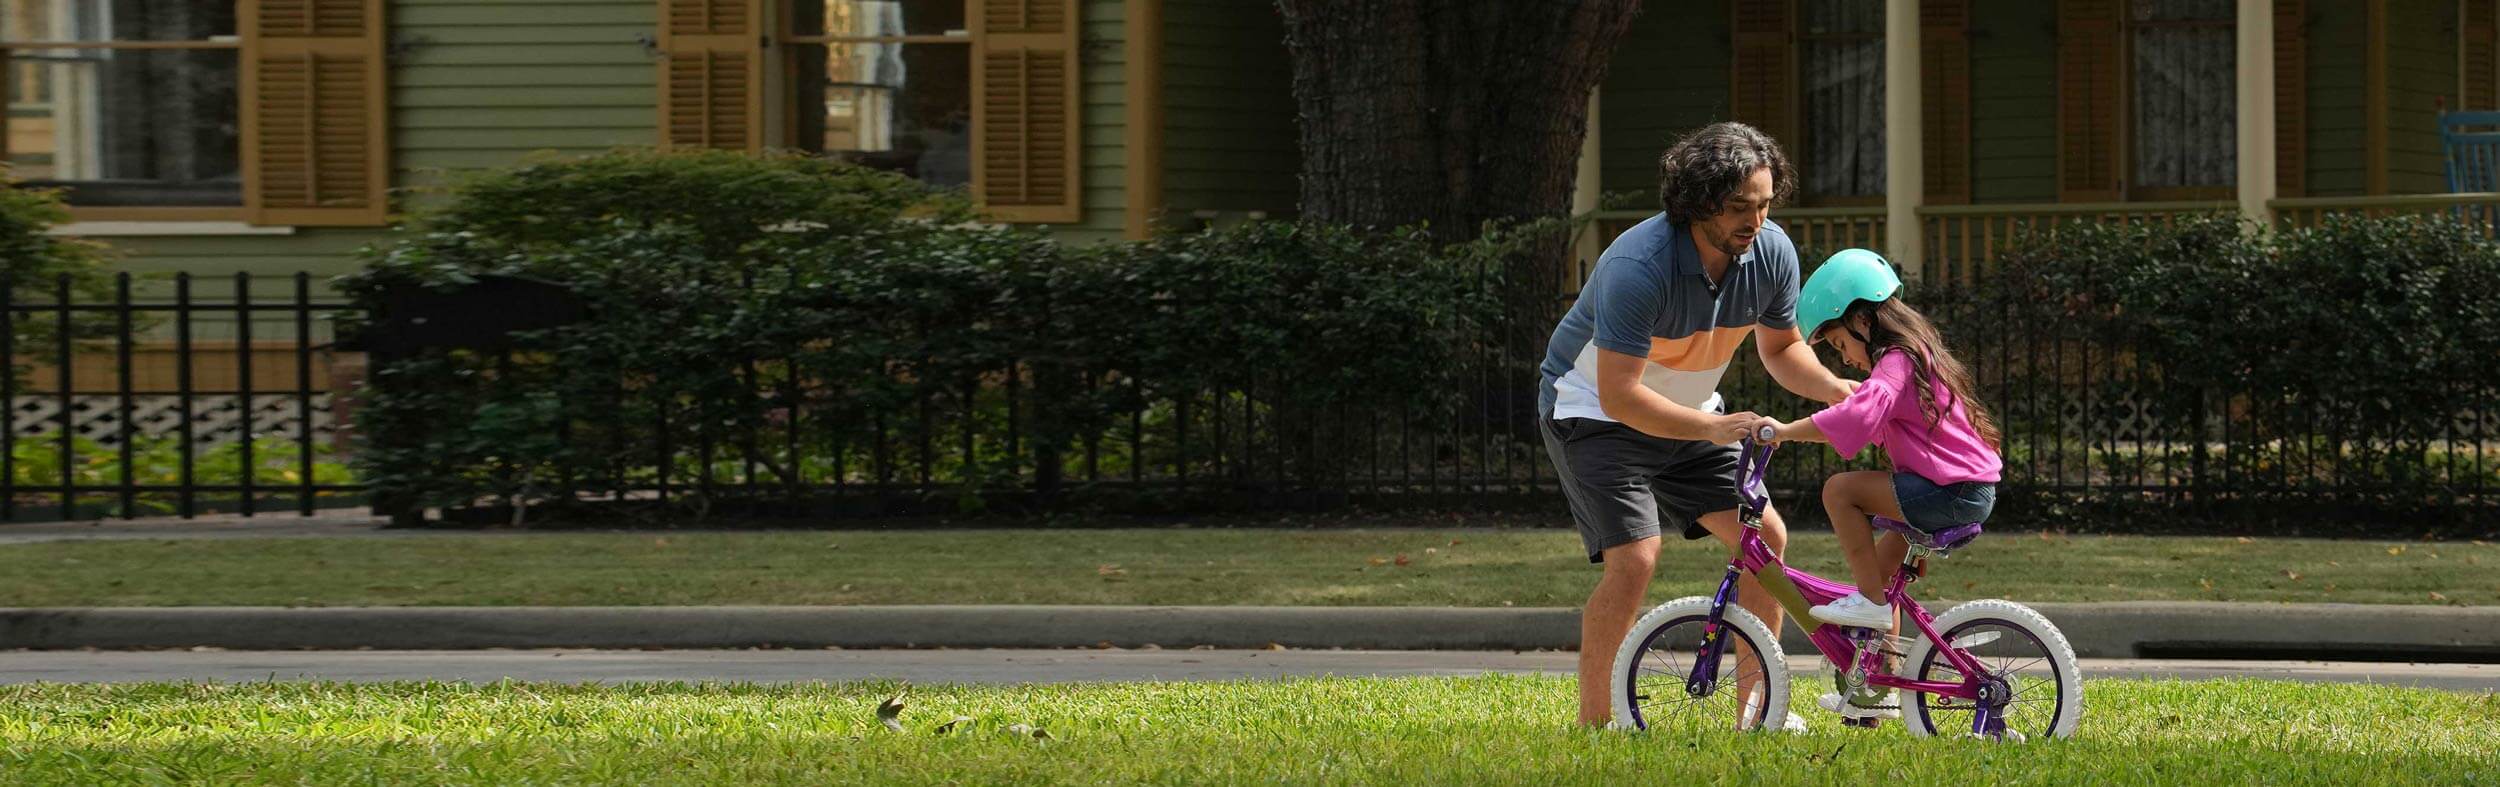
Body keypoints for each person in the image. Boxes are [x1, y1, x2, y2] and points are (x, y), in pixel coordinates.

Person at [1536, 122, 1858, 729]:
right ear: (1696, 202)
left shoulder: (1771, 253)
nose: (1755, 221)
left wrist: (1839, 391)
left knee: (1765, 539)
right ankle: (1597, 723)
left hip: (1689, 415)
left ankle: (1757, 711)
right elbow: (1622, 395)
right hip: (1594, 414)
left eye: (1764, 205)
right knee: (1634, 558)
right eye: (1739, 207)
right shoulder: (1638, 266)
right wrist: (1713, 429)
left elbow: (1783, 349)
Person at [1746, 249, 2004, 717]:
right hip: (1959, 491)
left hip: (1951, 492)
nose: (1847, 358)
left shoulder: (1898, 359)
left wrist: (1784, 430)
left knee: (1839, 491)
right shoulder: (1910, 356)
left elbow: (1861, 415)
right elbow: (1874, 406)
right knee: (1883, 580)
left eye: (1842, 344)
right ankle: (1877, 689)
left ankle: (1867, 604)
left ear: (1863, 319)